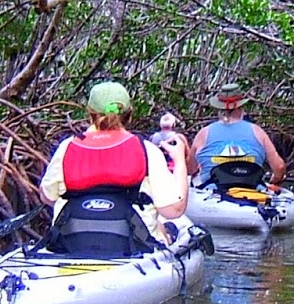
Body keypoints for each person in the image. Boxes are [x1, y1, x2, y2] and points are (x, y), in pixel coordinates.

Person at [39, 81, 188, 255]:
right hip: (134, 251)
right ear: (129, 114)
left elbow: (47, 197)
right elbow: (173, 210)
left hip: (70, 247)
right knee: (164, 228)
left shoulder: (66, 148)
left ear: (90, 114)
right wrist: (179, 162)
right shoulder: (146, 150)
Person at [186, 82, 286, 191]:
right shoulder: (258, 132)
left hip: (212, 191)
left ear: (219, 107)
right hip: (252, 190)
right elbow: (279, 167)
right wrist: (275, 180)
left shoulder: (203, 133)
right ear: (241, 106)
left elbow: (190, 169)